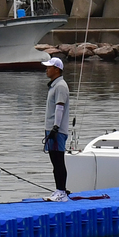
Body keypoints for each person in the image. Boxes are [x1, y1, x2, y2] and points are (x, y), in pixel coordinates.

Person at [44, 56, 71, 201]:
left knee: (58, 161)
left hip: (57, 130)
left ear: (57, 69)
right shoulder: (54, 85)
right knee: (54, 161)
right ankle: (59, 189)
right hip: (51, 128)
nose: (46, 70)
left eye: (49, 67)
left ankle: (62, 191)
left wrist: (55, 127)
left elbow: (60, 107)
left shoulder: (60, 86)